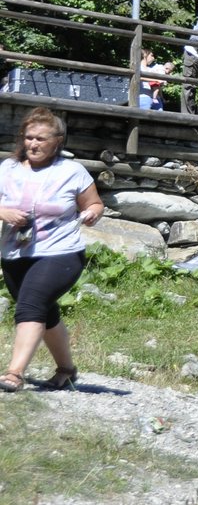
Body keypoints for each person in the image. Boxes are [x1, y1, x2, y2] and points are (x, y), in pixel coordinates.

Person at [0, 108, 104, 392]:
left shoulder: (72, 172)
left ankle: (14, 373)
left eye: (41, 139)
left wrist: (93, 214)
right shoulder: (7, 169)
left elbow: (94, 204)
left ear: (57, 141)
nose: (33, 144)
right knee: (45, 313)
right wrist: (4, 212)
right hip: (15, 253)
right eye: (29, 137)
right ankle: (67, 370)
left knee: (30, 305)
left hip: (61, 253)